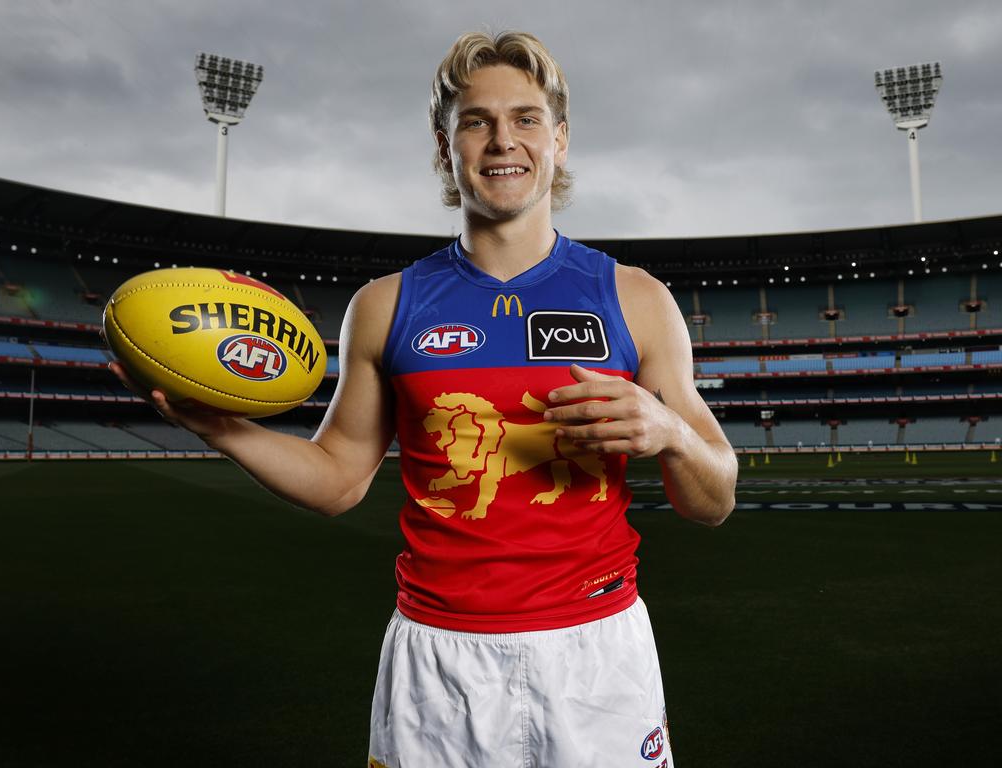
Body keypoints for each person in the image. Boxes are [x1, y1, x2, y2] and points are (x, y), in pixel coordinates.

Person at [113, 30, 737, 768]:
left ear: (560, 139)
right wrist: (220, 427)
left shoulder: (636, 299)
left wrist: (669, 431)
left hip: (596, 648)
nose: (503, 139)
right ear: (446, 146)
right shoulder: (384, 306)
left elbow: (714, 498)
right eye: (476, 120)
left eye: (527, 118)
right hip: (439, 658)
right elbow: (340, 478)